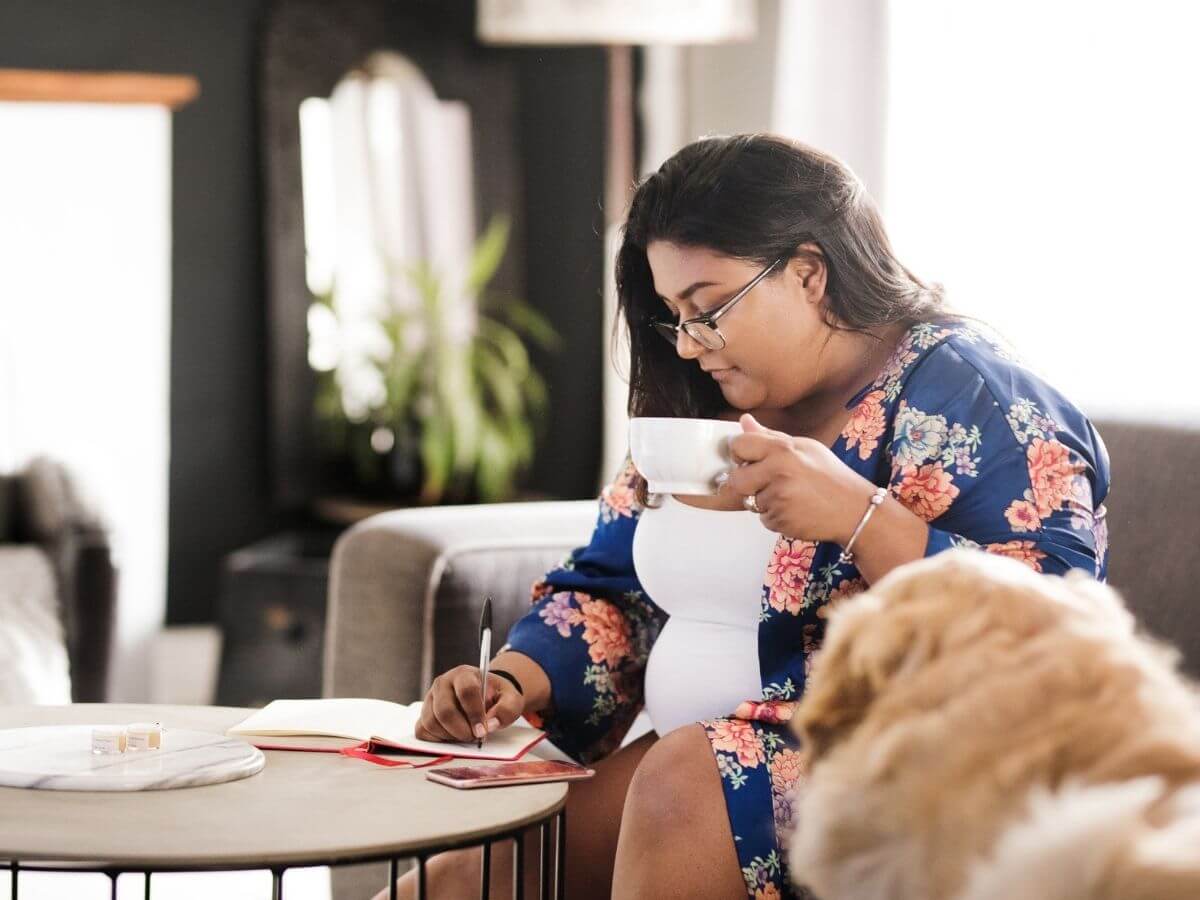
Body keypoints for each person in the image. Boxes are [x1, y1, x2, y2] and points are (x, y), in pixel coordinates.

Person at [377, 134, 1109, 900]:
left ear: (808, 273)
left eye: (708, 310)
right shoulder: (705, 414)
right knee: (464, 877)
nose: (691, 349)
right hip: (703, 761)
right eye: (674, 319)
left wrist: (860, 516)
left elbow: (1058, 635)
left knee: (683, 780)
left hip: (916, 765)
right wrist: (513, 682)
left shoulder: (977, 400)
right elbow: (612, 591)